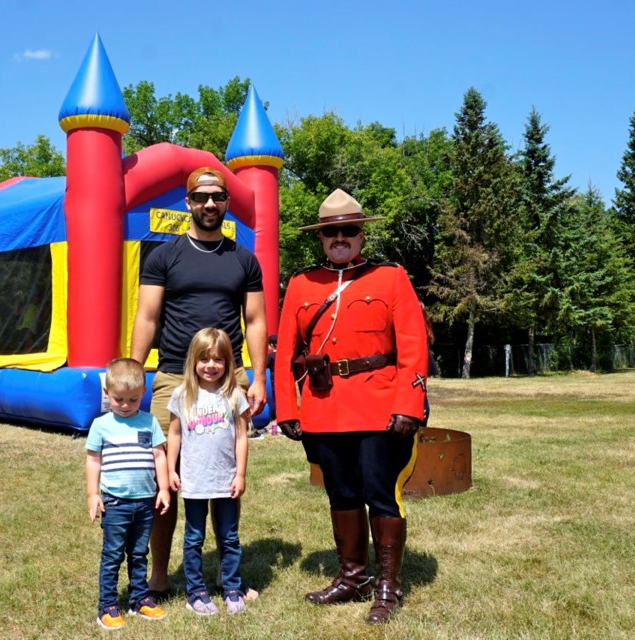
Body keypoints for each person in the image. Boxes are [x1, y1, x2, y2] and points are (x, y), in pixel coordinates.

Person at [274, 189, 428, 625]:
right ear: (321, 238)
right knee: (340, 493)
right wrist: (288, 407)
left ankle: (387, 586)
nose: (340, 238)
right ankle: (352, 577)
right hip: (324, 409)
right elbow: (285, 352)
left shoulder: (391, 277)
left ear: (362, 234)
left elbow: (413, 348)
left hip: (380, 405)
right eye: (331, 232)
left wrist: (409, 404)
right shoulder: (302, 284)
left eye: (349, 230)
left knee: (381, 494)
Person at [130, 166, 267, 599]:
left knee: (227, 474)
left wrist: (257, 376)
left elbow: (256, 319)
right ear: (187, 202)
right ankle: (159, 575)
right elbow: (147, 316)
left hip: (230, 382)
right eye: (201, 197)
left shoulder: (243, 259)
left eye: (218, 197)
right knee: (164, 480)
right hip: (174, 377)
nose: (210, 204)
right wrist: (134, 372)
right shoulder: (163, 257)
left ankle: (229, 578)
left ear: (226, 203)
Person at [166, 328, 250, 615]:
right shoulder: (182, 395)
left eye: (217, 359)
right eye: (204, 359)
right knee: (193, 537)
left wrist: (240, 474)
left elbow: (241, 436)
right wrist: (169, 469)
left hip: (225, 479)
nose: (210, 365)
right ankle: (196, 591)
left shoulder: (235, 396)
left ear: (227, 362)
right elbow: (174, 434)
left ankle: (231, 587)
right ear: (193, 361)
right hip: (194, 480)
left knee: (229, 536)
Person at [85, 358, 171, 630]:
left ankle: (139, 599)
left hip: (145, 502)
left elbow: (159, 456)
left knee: (138, 553)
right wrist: (92, 494)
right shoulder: (101, 425)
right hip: (115, 503)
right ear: (107, 393)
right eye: (119, 399)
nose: (125, 405)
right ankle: (108, 606)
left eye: (133, 400)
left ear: (142, 394)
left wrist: (164, 488)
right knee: (112, 555)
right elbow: (93, 460)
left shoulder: (150, 422)